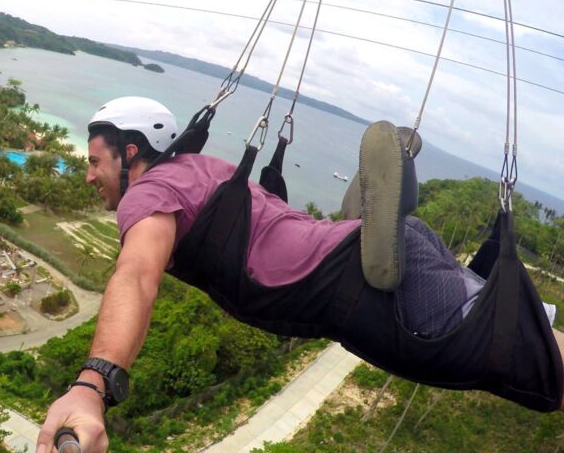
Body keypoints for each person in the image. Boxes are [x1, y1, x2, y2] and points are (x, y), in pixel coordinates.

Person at [36, 96, 564, 453]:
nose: (88, 175)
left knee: (527, 361)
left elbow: (136, 275)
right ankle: (370, 225)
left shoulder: (149, 196)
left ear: (130, 153)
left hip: (365, 287)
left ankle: (372, 230)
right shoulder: (201, 170)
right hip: (396, 256)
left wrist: (93, 385)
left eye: (94, 161)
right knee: (521, 331)